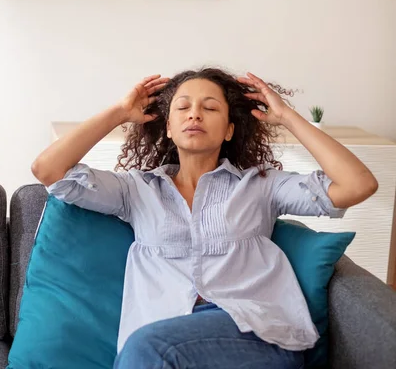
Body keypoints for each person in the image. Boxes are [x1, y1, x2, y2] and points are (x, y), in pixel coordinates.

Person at [31, 68, 378, 368]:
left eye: (210, 107)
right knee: (148, 347)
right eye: (183, 107)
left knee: (146, 348)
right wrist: (119, 113)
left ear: (229, 130)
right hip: (167, 337)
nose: (194, 114)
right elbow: (48, 170)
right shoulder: (136, 190)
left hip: (255, 334)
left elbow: (357, 184)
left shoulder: (260, 185)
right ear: (168, 127)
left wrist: (288, 117)